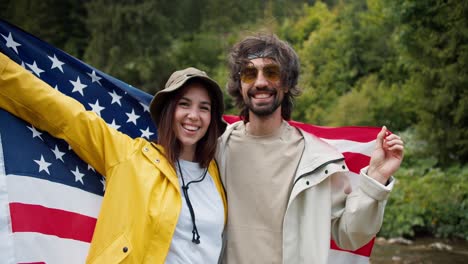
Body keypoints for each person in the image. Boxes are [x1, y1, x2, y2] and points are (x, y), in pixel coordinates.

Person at [0, 52, 227, 263]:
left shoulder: (219, 170)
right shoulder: (131, 157)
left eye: (204, 108)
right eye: (184, 104)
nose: (193, 116)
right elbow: (67, 116)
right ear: (169, 111)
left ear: (212, 118)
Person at [216, 33, 404, 264]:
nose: (261, 82)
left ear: (286, 83)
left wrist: (375, 179)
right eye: (249, 73)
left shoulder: (317, 159)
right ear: (240, 84)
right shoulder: (215, 150)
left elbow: (348, 235)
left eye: (272, 72)